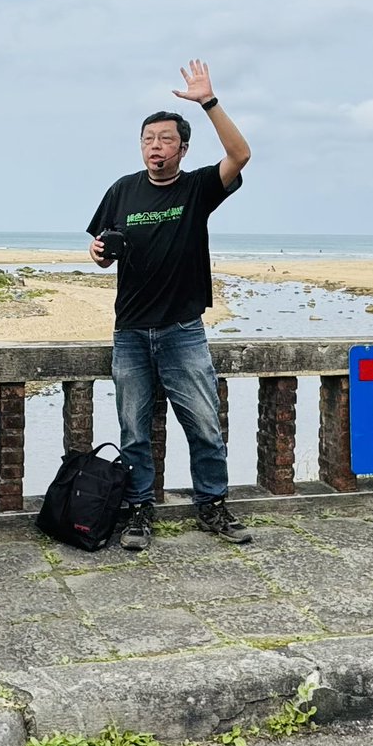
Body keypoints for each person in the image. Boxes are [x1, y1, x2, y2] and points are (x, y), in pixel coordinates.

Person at [87, 60, 252, 551]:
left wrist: (208, 101)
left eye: (163, 139)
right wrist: (97, 254)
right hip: (131, 332)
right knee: (133, 430)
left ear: (182, 146)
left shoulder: (198, 188)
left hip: (183, 330)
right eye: (147, 139)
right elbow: (100, 247)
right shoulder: (122, 189)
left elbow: (240, 154)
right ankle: (139, 511)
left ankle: (212, 505)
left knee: (204, 426)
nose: (154, 146)